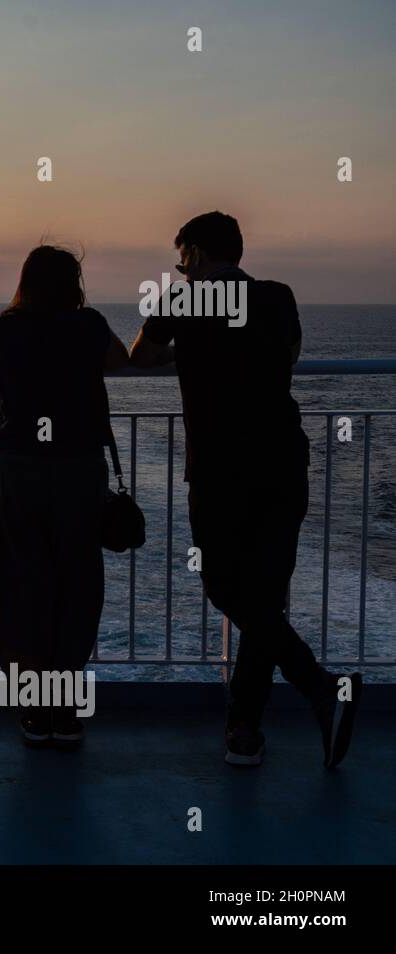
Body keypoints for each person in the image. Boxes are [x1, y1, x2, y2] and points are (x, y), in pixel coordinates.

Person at [129, 210, 361, 768]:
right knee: (264, 595)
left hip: (221, 469)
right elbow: (289, 355)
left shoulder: (182, 301)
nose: (179, 266)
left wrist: (188, 351)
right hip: (283, 461)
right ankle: (245, 730)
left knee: (226, 588)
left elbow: (141, 357)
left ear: (198, 254)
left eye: (181, 255)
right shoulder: (279, 296)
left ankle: (312, 690)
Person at [0, 245, 129, 746]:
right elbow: (120, 361)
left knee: (23, 585)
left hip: (20, 470)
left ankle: (36, 712)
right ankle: (66, 712)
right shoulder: (90, 325)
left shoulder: (8, 328)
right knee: (77, 586)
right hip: (79, 470)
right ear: (74, 283)